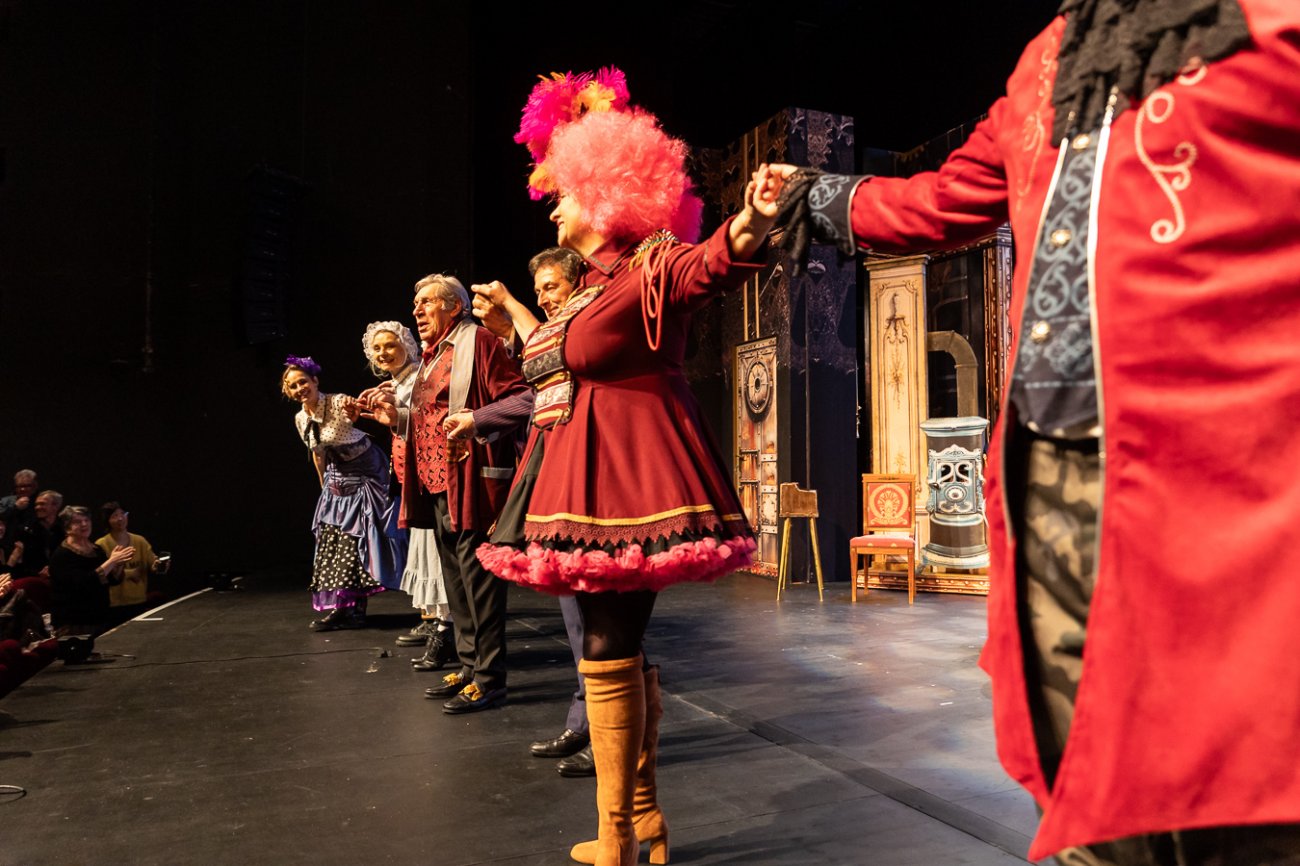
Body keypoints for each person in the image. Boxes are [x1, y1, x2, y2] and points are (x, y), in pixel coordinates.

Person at [768, 2, 1300, 862]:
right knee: (1087, 773)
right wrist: (814, 196)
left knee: (1249, 785)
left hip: (1242, 483)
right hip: (1053, 482)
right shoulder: (1048, 59)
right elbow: (947, 196)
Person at [475, 68, 780, 865]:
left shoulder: (650, 263)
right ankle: (641, 819)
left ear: (606, 190)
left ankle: (618, 834)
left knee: (608, 642)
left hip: (630, 479)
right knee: (617, 643)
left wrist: (752, 221)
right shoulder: (587, 288)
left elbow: (709, 266)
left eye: (566, 193)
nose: (554, 206)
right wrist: (515, 316)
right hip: (580, 476)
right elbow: (551, 362)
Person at [362, 275, 532, 714]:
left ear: (454, 307)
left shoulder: (480, 343)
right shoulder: (432, 356)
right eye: (415, 303)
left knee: (481, 585)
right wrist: (396, 418)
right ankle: (470, 666)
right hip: (437, 485)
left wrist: (477, 420)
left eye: (426, 302)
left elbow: (524, 399)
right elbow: (429, 421)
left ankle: (490, 679)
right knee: (457, 585)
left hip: (473, 484)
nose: (416, 310)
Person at [472, 246, 595, 777]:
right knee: (577, 617)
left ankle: (612, 737)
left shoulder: (588, 323)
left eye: (552, 286)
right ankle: (586, 721)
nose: (544, 298)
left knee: (601, 621)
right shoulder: (554, 329)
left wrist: (511, 307)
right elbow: (538, 383)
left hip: (592, 485)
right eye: (538, 289)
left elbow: (549, 362)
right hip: (556, 481)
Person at [358, 320, 457, 668]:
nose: (383, 352)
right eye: (377, 348)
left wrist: (394, 414)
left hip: (429, 475)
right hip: (410, 476)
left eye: (390, 345)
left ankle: (446, 628)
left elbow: (426, 422)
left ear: (407, 346)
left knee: (436, 552)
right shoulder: (398, 381)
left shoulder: (418, 377)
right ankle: (438, 620)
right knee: (425, 549)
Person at [282, 355, 397, 631]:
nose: (299, 389)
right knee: (333, 540)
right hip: (337, 478)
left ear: (315, 381)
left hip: (366, 473)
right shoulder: (301, 418)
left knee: (358, 541)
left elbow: (362, 418)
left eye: (303, 382)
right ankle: (342, 608)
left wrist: (358, 409)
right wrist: (325, 489)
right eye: (292, 386)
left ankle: (355, 609)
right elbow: (318, 455)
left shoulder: (338, 402)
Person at [47, 506, 133, 636]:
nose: (84, 524)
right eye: (78, 522)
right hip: (74, 623)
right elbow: (83, 584)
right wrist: (111, 561)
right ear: (67, 528)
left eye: (87, 520)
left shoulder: (96, 549)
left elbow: (111, 580)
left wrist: (118, 564)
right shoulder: (62, 555)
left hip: (99, 618)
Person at [95, 502, 170, 610]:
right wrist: (130, 573)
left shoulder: (140, 541)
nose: (120, 518)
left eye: (123, 514)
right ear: (107, 520)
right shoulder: (101, 544)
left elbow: (152, 564)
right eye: (114, 516)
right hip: (114, 603)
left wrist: (159, 565)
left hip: (139, 600)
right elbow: (101, 574)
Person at [16, 490, 65, 578]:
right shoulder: (27, 529)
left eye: (42, 504)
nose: (38, 507)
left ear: (56, 506)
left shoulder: (66, 529)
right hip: (32, 578)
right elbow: (21, 561)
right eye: (36, 504)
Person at [0, 469, 38, 535]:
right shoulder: (5, 501)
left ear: (35, 486)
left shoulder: (40, 501)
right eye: (19, 486)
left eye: (26, 486)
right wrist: (15, 507)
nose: (22, 489)